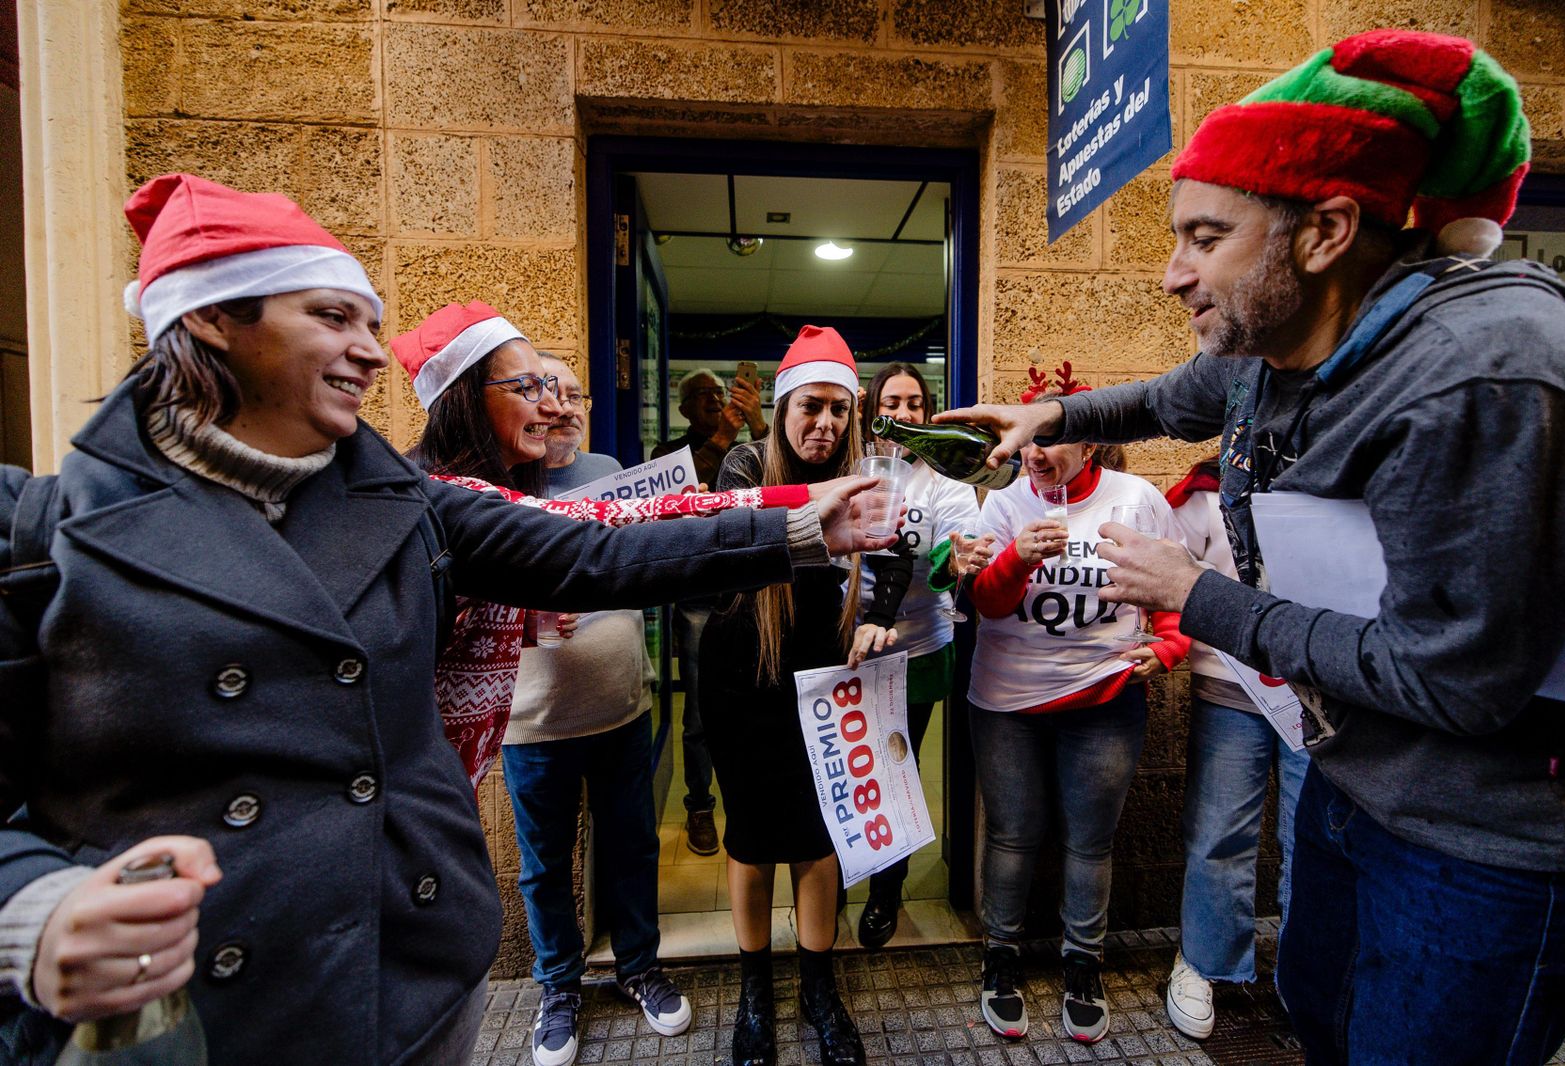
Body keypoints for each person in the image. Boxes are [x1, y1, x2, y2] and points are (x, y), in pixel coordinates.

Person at [0, 174, 896, 1066]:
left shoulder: (411, 505)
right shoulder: (44, 535)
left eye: (369, 323)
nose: (367, 351)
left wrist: (803, 525)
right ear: (211, 319)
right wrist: (34, 909)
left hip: (408, 977)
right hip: (193, 1013)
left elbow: (602, 546)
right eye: (331, 318)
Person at [939, 29, 1565, 1066]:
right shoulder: (1276, 347)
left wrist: (1195, 595)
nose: (1170, 275)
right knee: (1323, 1027)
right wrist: (1055, 416)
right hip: (1349, 782)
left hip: (1479, 847)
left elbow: (1458, 677)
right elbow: (1167, 397)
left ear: (1327, 231)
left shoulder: (1487, 370)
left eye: (1204, 237)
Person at [395, 303, 814, 790]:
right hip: (416, 790)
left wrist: (520, 619)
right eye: (529, 388)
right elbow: (607, 537)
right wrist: (801, 507)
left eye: (565, 393)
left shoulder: (481, 491)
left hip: (448, 781)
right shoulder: (449, 500)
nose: (554, 409)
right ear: (464, 398)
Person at [962, 366, 1189, 1044]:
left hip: (1105, 699)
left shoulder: (1136, 499)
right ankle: (1000, 959)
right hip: (1008, 702)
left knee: (1090, 841)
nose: (1036, 454)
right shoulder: (1006, 504)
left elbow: (1175, 588)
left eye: (1052, 441)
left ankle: (1081, 965)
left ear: (1088, 443)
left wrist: (1168, 649)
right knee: (1013, 833)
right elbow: (986, 604)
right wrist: (1017, 561)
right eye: (1031, 443)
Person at [702, 326, 887, 1066]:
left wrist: (875, 614)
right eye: (812, 407)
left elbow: (897, 552)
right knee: (749, 838)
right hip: (741, 671)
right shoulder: (745, 463)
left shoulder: (866, 472)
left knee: (818, 838)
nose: (827, 425)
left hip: (824, 671)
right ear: (782, 408)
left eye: (840, 411)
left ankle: (818, 985)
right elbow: (730, 543)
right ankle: (756, 992)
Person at [500, 353, 686, 1066]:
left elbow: (641, 562)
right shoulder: (499, 483)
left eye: (575, 393)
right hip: (536, 719)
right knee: (545, 865)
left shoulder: (611, 470)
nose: (566, 406)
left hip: (620, 708)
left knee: (633, 847)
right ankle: (558, 989)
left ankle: (640, 968)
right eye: (550, 392)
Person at [1162, 458, 1309, 1040]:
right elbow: (1172, 576)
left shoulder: (1337, 479)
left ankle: (1307, 972)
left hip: (1319, 691)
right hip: (1230, 687)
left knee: (1311, 837)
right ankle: (1204, 959)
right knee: (1220, 829)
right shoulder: (1206, 493)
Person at [850, 362, 988, 949]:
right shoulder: (848, 466)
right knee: (847, 768)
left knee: (895, 772)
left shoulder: (946, 479)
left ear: (927, 415)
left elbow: (956, 553)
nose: (903, 414)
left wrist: (953, 564)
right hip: (846, 647)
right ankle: (829, 881)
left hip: (918, 648)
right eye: (892, 402)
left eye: (914, 404)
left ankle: (887, 891)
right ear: (872, 409)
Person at [651, 367, 768, 857]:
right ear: (682, 408)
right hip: (699, 600)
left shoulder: (750, 443)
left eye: (722, 393)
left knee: (756, 704)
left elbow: (781, 472)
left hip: (753, 596)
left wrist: (761, 426)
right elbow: (686, 490)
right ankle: (700, 803)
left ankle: (754, 800)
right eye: (704, 395)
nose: (717, 400)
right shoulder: (666, 456)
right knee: (698, 715)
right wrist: (727, 433)